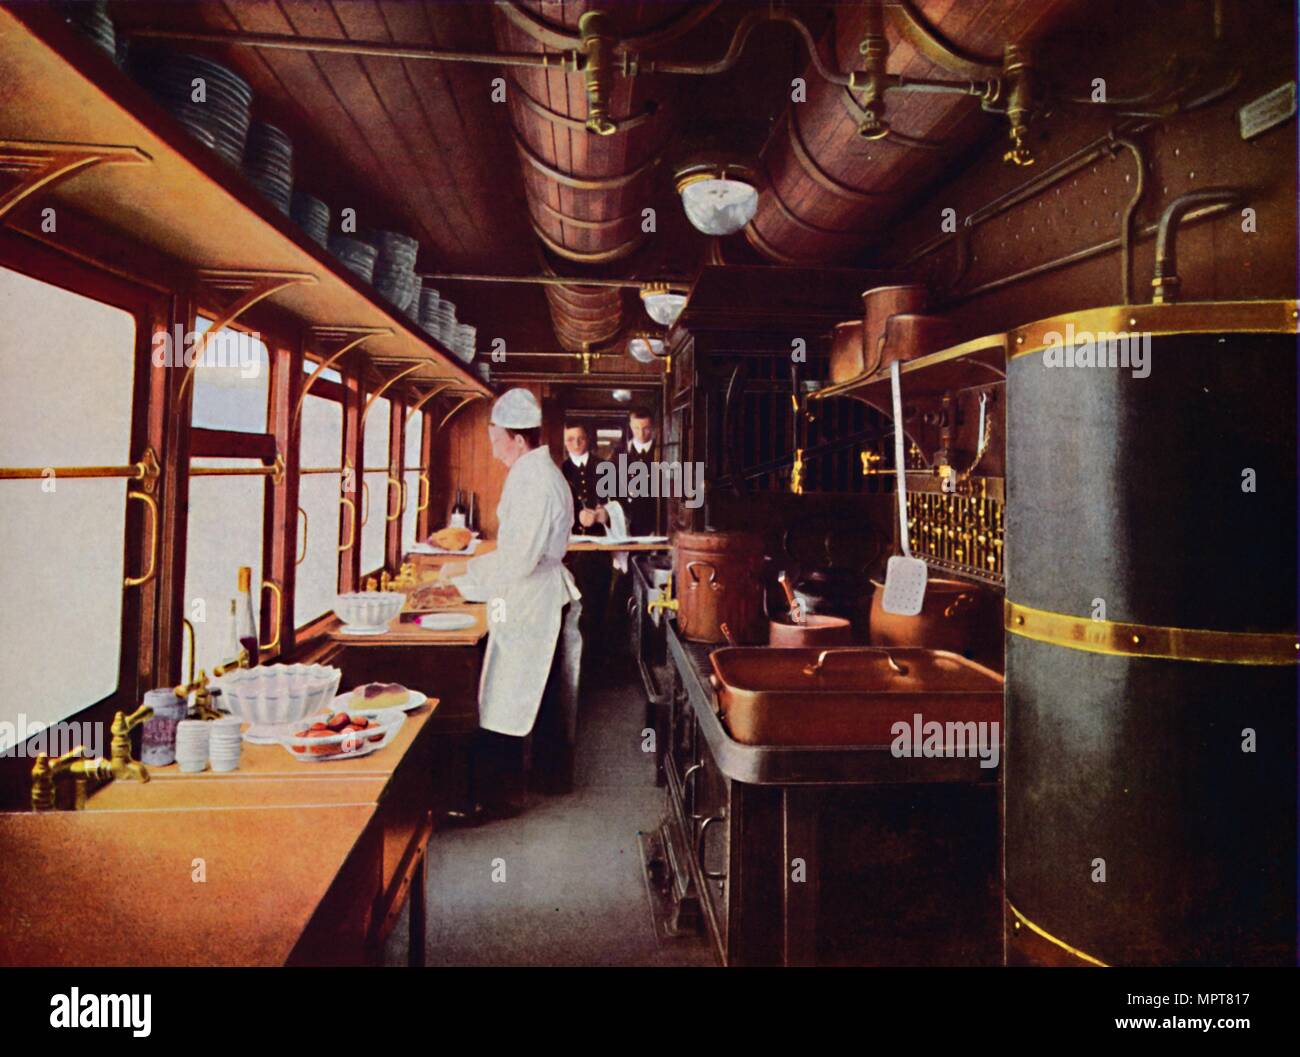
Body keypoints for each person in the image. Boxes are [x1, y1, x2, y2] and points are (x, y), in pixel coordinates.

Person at [439, 388, 582, 823]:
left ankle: (494, 798)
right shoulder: (532, 473)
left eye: (497, 440)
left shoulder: (535, 480)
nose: (493, 450)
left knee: (507, 695)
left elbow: (518, 560)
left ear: (519, 440)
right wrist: (469, 578)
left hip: (531, 599)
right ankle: (530, 783)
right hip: (528, 596)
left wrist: (463, 578)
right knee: (515, 692)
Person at [559, 421, 612, 671]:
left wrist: (604, 513)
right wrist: (575, 517)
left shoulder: (604, 467)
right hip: (572, 549)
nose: (576, 444)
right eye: (570, 439)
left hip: (601, 545)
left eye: (580, 438)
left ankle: (599, 661)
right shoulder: (560, 470)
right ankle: (578, 663)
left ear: (588, 439)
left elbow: (618, 502)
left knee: (599, 602)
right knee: (575, 605)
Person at [620, 407, 659, 537]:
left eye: (646, 428)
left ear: (653, 427)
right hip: (628, 518)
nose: (641, 434)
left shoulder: (662, 451)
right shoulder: (620, 453)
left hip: (656, 518)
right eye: (636, 428)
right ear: (630, 426)